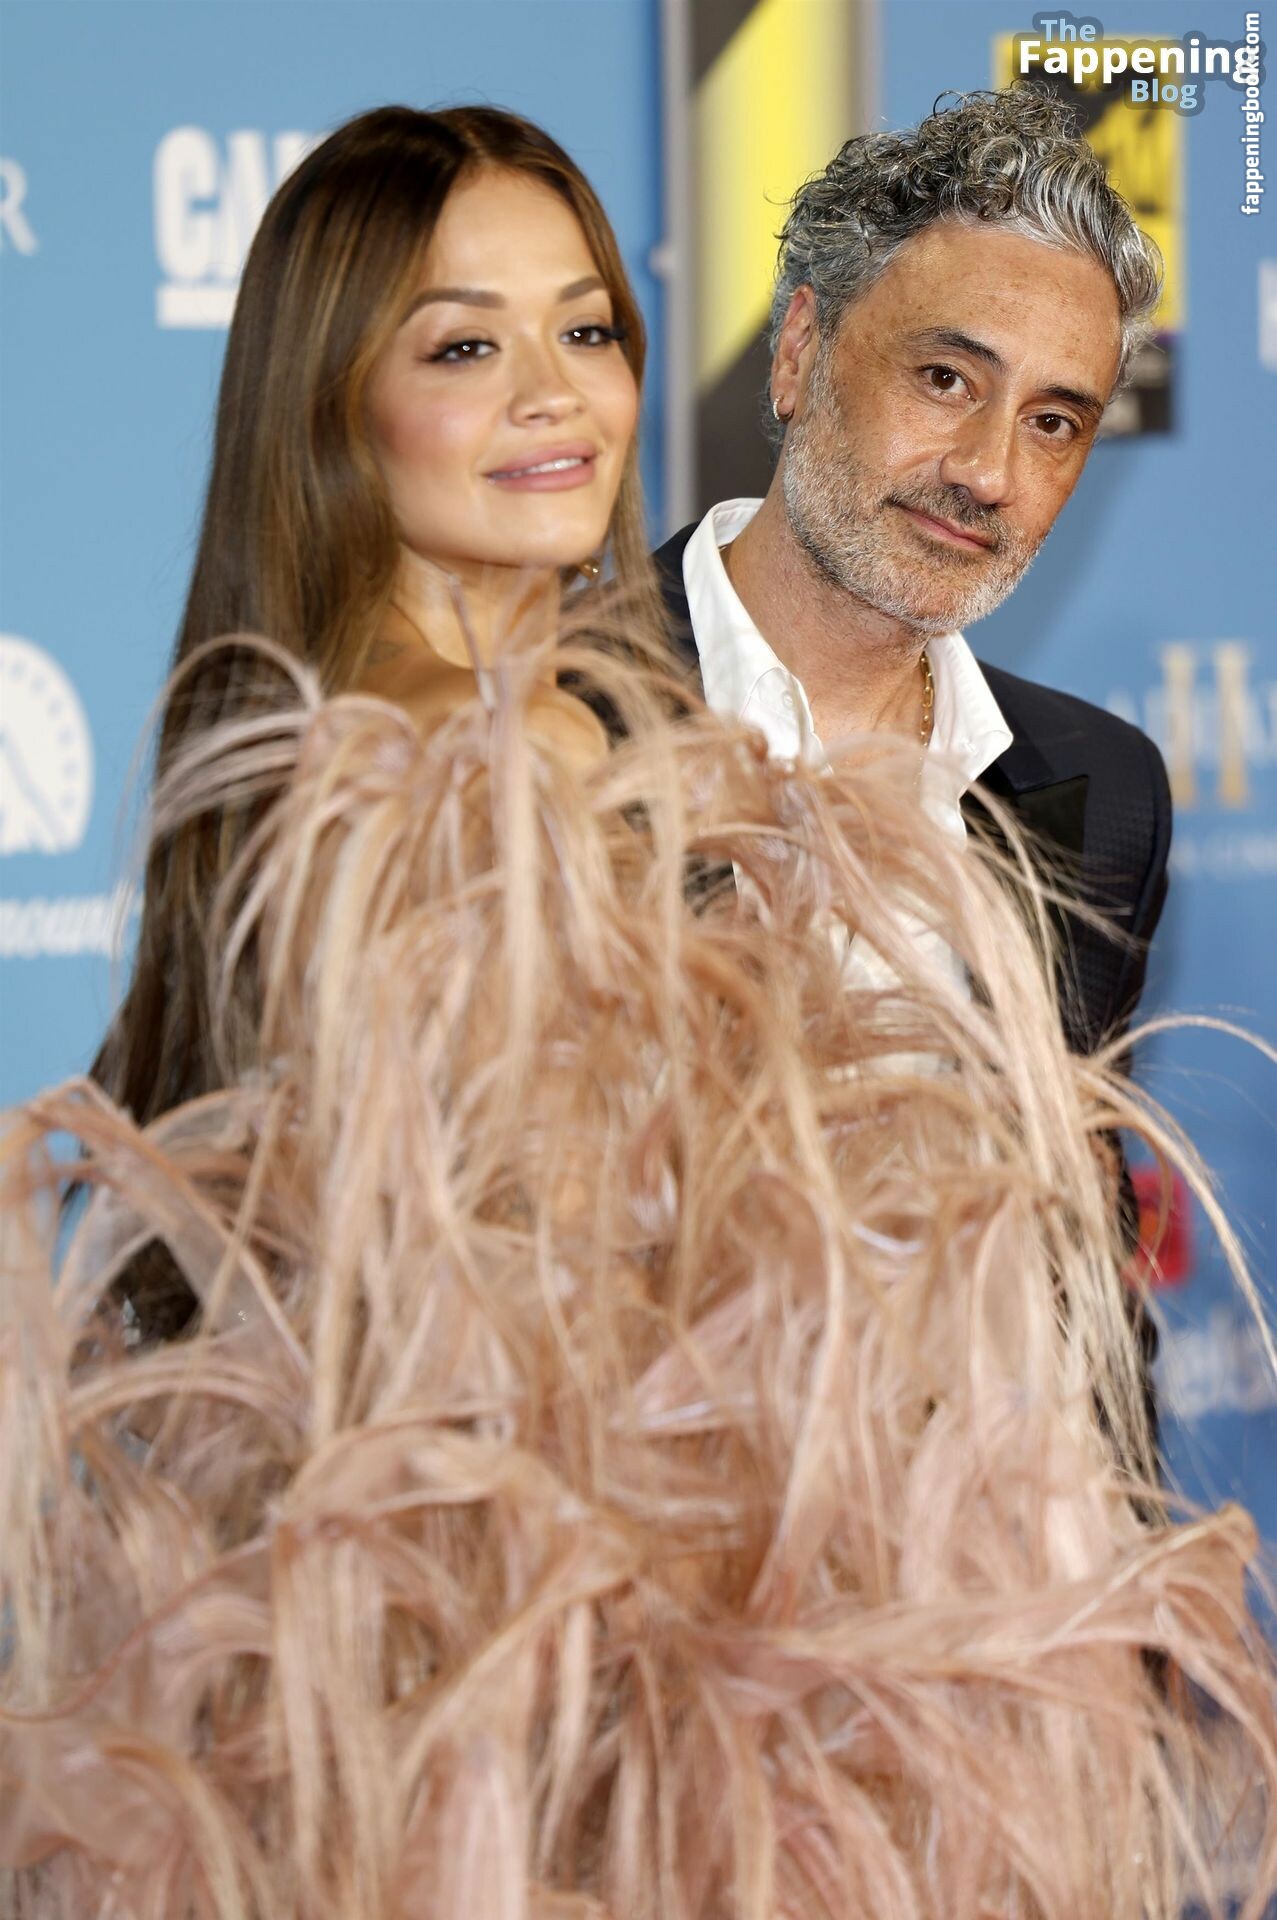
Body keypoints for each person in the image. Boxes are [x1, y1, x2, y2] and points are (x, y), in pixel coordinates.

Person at [3, 640, 1275, 1918]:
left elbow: (1079, 1259)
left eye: (1051, 439)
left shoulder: (1100, 783)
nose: (986, 511)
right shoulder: (558, 684)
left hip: (954, 1724)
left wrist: (1110, 1641)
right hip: (591, 1698)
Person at [88, 102, 660, 1336]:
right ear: (334, 403)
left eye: (585, 329)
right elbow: (566, 1280)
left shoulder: (309, 724)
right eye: (464, 349)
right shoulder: (497, 747)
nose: (553, 394)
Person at [654, 88, 1170, 1062]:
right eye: (944, 379)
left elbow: (1071, 1159)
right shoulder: (537, 707)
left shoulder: (1107, 795)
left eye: (1050, 422)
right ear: (798, 352)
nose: (987, 473)